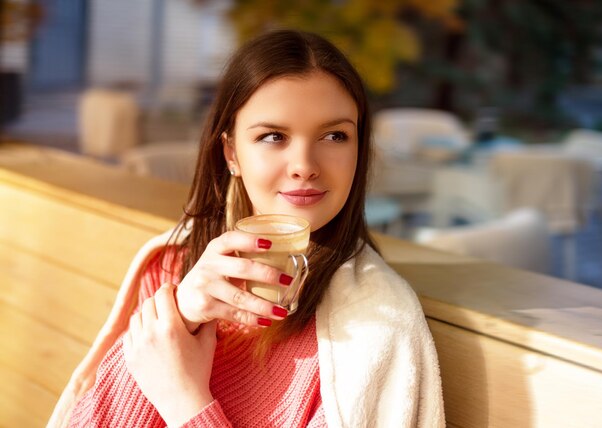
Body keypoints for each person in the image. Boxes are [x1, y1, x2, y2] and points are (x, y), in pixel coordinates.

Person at [50, 30, 444, 427]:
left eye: (334, 135)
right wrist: (180, 316)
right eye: (273, 136)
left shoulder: (377, 326)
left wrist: (184, 401)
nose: (303, 164)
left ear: (359, 149)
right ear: (231, 153)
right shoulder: (172, 270)